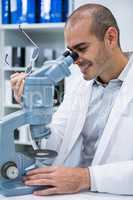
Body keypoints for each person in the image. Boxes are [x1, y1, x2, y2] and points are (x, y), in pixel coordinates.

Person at [10, 3, 133, 196]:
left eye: (81, 48)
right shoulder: (78, 84)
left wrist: (87, 178)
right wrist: (33, 109)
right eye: (70, 52)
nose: (75, 60)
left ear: (110, 37)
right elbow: (53, 144)